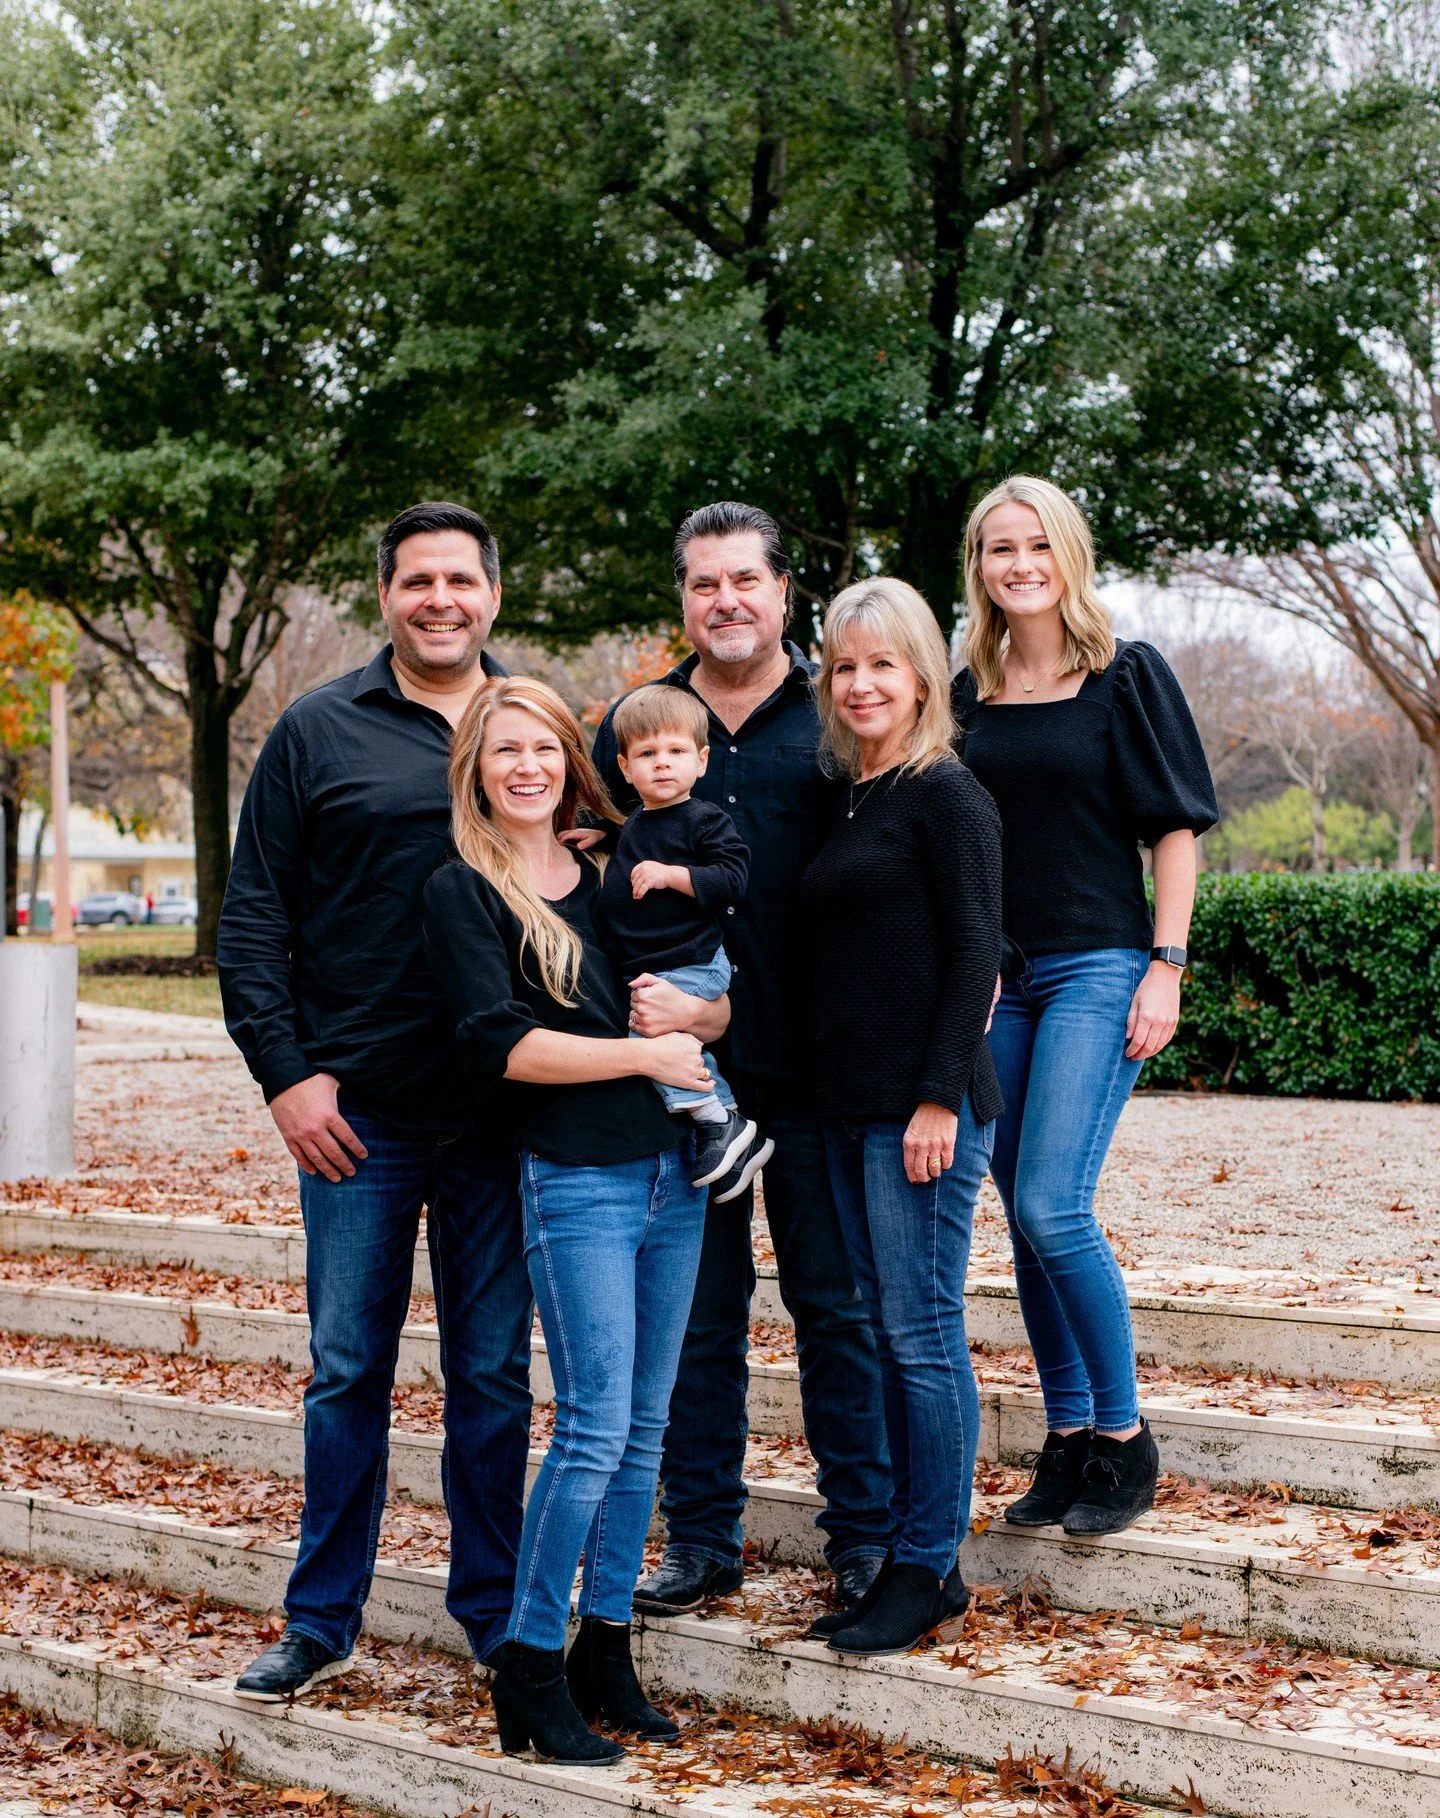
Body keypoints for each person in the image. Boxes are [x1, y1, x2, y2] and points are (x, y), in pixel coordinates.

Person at [218, 502, 534, 1700]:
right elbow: (253, 920)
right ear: (388, 596)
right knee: (349, 1369)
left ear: (492, 595)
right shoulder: (316, 731)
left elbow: (594, 899)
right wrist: (286, 1075)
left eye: (460, 579)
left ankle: (497, 1614)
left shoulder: (536, 728)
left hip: (507, 1118)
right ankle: (320, 1618)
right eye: (418, 581)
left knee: (495, 1374)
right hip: (356, 1120)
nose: (440, 599)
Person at [593, 501, 893, 1618]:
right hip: (682, 1083)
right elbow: (589, 870)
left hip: (816, 1067)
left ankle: (861, 1539)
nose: (726, 601)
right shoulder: (638, 722)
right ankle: (702, 1537)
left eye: (745, 582)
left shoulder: (841, 714)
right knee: (697, 1315)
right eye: (704, 583)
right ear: (683, 598)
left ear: (782, 595)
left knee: (836, 1307)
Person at [424, 676, 718, 1764]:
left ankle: (606, 1648)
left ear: (568, 759)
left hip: (672, 1178)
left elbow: (707, 995)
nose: (527, 767)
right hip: (576, 1178)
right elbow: (504, 1047)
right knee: (593, 1424)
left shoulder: (610, 873)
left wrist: (698, 1014)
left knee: (644, 1429)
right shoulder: (463, 890)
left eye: (544, 746)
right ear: (477, 769)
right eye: (505, 751)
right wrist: (648, 1051)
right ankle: (529, 1664)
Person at [953, 475, 1218, 1536]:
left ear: (1068, 555)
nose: (1017, 565)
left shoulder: (1126, 675)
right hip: (997, 981)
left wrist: (1168, 962)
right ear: (977, 566)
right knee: (1021, 1219)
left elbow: (1176, 830)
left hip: (1099, 963)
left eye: (1036, 546)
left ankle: (1122, 1436)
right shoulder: (965, 690)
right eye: (996, 549)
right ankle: (1066, 1438)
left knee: (1053, 1204)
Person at [798, 578, 1002, 1655]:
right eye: (846, 665)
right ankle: (912, 1561)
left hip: (919, 1110)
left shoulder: (946, 793)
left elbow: (979, 953)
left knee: (922, 1340)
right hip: (844, 1106)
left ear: (924, 674)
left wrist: (936, 1096)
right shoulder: (854, 792)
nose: (863, 682)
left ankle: (928, 1567)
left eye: (884, 663)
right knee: (885, 1331)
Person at [597, 683, 773, 1199]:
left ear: (700, 761)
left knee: (654, 1042)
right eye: (647, 755)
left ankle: (722, 1120)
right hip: (659, 961)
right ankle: (719, 1121)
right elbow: (640, 844)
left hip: (691, 961)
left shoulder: (705, 818)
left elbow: (732, 877)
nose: (662, 764)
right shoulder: (637, 822)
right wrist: (601, 839)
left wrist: (672, 876)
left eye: (675, 752)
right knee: (653, 1041)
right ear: (626, 768)